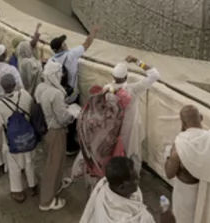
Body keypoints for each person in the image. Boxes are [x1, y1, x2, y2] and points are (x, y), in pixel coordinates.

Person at [165, 105, 210, 223]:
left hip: (186, 196)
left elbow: (169, 173)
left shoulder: (180, 146)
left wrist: (168, 157)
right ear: (201, 117)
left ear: (183, 123)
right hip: (208, 196)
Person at [35, 59, 80, 211]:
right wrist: (73, 114)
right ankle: (46, 201)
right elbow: (62, 118)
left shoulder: (41, 87)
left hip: (46, 130)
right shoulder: (56, 93)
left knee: (55, 159)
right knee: (53, 165)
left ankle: (58, 183)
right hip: (56, 131)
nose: (61, 76)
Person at [102, 56, 160, 170]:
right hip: (131, 129)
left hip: (113, 130)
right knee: (134, 155)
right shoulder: (133, 90)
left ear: (113, 76)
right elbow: (155, 75)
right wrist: (137, 61)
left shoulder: (106, 90)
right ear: (126, 76)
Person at [49, 25, 100, 154]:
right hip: (71, 95)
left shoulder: (52, 61)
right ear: (61, 47)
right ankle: (70, 146)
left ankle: (64, 143)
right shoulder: (71, 55)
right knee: (72, 120)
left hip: (58, 96)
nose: (65, 44)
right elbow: (87, 43)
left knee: (61, 118)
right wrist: (93, 31)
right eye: (63, 43)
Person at [81, 156, 174, 223]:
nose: (139, 179)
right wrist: (165, 214)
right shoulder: (130, 219)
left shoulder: (105, 184)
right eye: (134, 179)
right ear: (121, 187)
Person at [0, 73, 37, 202]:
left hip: (12, 141)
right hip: (28, 136)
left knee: (14, 166)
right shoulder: (25, 95)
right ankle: (33, 185)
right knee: (29, 161)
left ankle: (18, 191)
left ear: (2, 87)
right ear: (14, 84)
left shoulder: (0, 105)